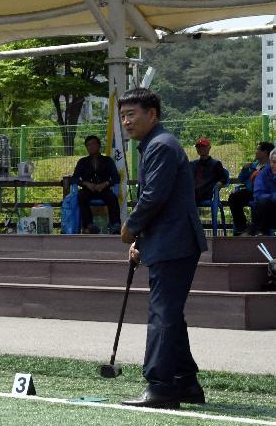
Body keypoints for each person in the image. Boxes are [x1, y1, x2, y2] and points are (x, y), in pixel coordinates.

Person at [119, 88, 207, 409]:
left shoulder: (161, 145)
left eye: (132, 114)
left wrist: (131, 228)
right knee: (170, 314)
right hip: (169, 240)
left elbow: (153, 197)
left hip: (175, 242)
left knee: (162, 314)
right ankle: (185, 383)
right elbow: (164, 201)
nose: (126, 122)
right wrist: (142, 241)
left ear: (152, 114)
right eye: (123, 116)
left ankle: (160, 387)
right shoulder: (156, 145)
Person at [71, 135, 122, 234]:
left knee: (112, 198)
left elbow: (116, 177)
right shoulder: (82, 162)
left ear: (99, 145)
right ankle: (89, 225)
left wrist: (105, 184)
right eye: (88, 145)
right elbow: (74, 178)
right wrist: (85, 183)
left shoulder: (108, 160)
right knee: (81, 196)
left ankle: (115, 225)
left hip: (104, 189)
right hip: (88, 190)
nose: (91, 147)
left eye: (93, 144)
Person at [228, 142, 273, 235]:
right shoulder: (254, 165)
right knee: (234, 197)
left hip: (264, 193)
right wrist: (244, 169)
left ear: (265, 152)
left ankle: (261, 230)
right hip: (250, 192)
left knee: (261, 202)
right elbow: (241, 179)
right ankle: (242, 227)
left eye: (258, 150)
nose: (255, 152)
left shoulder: (271, 167)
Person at [189, 137, 228, 204]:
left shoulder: (216, 164)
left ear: (209, 148)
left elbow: (223, 178)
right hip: (191, 192)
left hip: (205, 193)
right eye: (198, 147)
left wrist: (219, 184)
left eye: (203, 146)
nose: (201, 149)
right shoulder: (192, 164)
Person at [250, 149, 276, 235]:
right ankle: (260, 234)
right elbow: (258, 195)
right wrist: (274, 196)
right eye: (273, 162)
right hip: (269, 209)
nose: (275, 165)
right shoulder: (262, 174)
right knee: (262, 202)